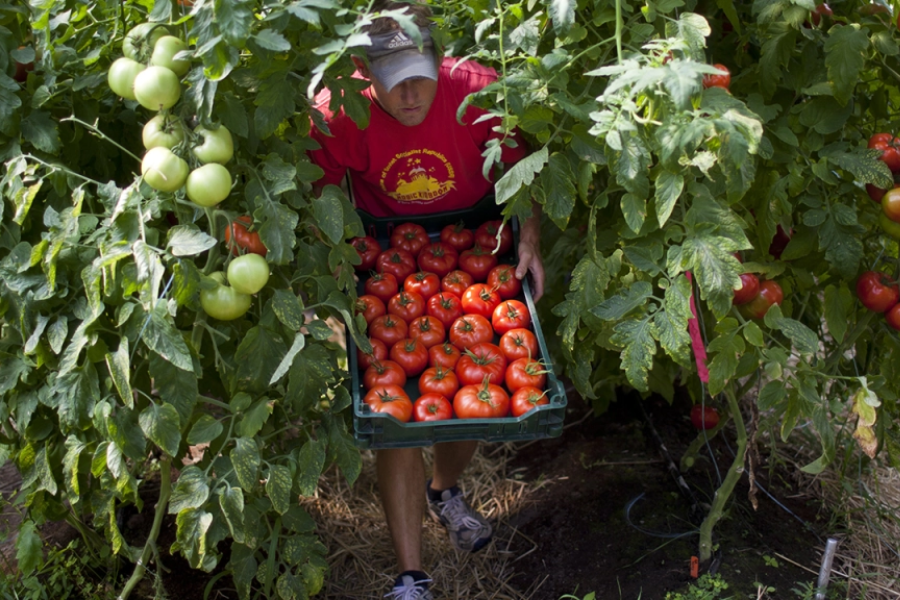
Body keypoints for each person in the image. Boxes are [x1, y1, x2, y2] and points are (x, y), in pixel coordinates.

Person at [308, 2, 545, 598]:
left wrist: (530, 243)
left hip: (477, 248)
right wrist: (328, 282)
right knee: (397, 422)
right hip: (385, 255)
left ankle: (444, 490)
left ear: (440, 60)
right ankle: (411, 576)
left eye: (420, 77)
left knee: (473, 392)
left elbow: (523, 178)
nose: (410, 95)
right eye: (393, 82)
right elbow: (317, 203)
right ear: (364, 72)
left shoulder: (479, 92)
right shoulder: (339, 111)